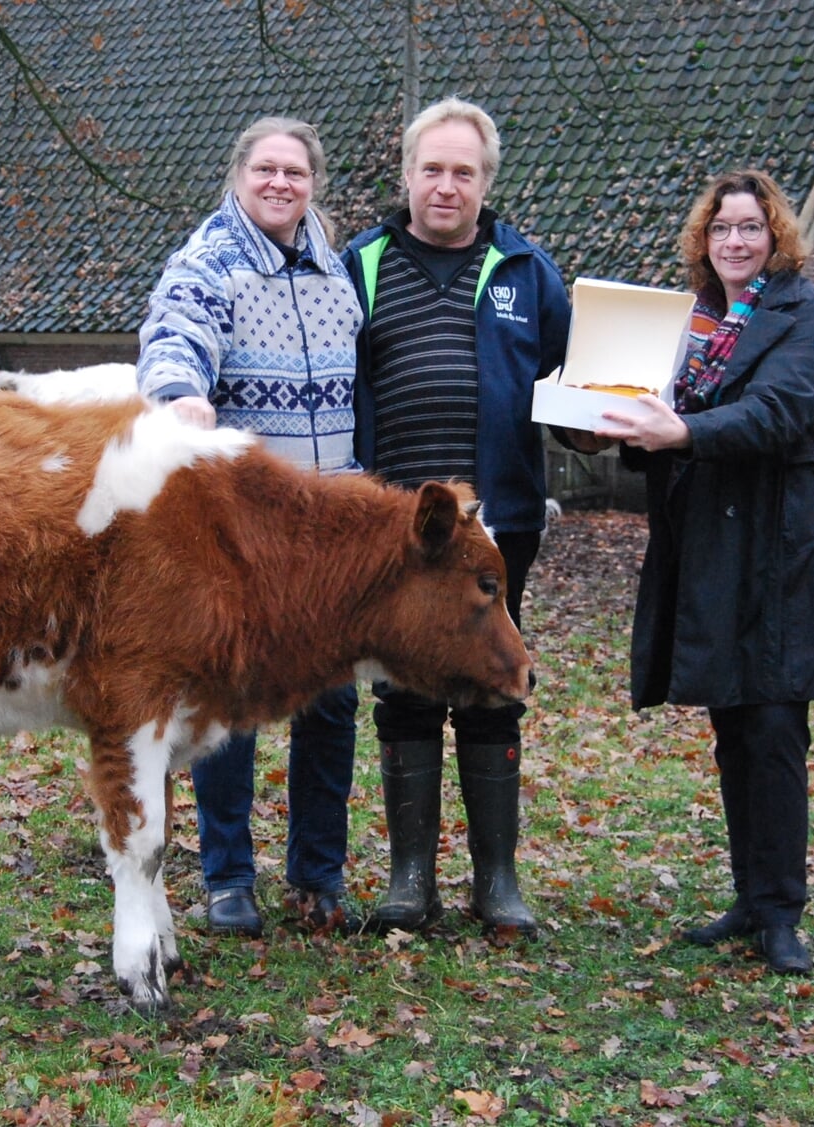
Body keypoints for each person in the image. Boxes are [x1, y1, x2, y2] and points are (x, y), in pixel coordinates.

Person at [565, 168, 814, 975]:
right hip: (709, 550)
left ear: (775, 238)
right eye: (722, 228)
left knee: (772, 727)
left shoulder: (803, 313)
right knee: (733, 723)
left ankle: (780, 911)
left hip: (782, 549)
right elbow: (647, 408)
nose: (735, 241)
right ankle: (749, 895)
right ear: (705, 239)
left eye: (750, 228)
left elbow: (774, 412)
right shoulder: (685, 321)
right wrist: (593, 427)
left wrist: (676, 435)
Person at [343, 97, 571, 937]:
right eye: (431, 170)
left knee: (492, 681)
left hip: (497, 524)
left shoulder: (526, 271)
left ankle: (497, 882)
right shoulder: (357, 265)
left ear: (485, 182)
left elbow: (564, 376)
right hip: (395, 530)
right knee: (401, 688)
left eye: (462, 172)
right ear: (405, 176)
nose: (446, 186)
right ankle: (409, 882)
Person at [136, 116, 364, 938]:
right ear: (238, 176)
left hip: (327, 533)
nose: (279, 184)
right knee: (229, 711)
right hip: (240, 535)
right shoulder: (210, 261)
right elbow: (173, 333)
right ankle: (228, 877)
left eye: (294, 173)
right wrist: (179, 390)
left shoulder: (333, 268)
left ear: (312, 184)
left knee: (329, 704)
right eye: (265, 169)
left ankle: (318, 875)